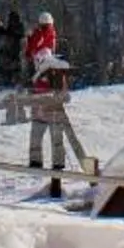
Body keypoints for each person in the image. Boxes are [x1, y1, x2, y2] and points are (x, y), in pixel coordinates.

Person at [23, 39, 82, 199]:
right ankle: (36, 165)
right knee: (36, 139)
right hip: (39, 113)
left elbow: (64, 95)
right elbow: (31, 91)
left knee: (57, 141)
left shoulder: (55, 74)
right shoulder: (36, 75)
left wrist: (51, 98)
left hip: (53, 113)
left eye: (39, 60)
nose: (37, 63)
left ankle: (57, 167)